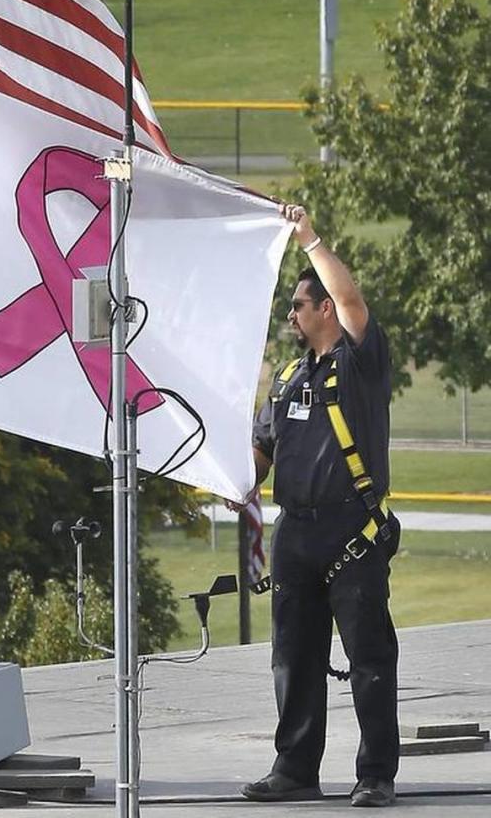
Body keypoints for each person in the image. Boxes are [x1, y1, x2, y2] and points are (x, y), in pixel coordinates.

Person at [240, 204, 400, 809]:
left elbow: (352, 297)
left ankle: (376, 774)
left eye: (300, 305)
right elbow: (263, 449)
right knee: (294, 658)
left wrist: (308, 238)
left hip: (350, 530)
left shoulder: (359, 363)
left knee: (369, 659)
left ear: (325, 310)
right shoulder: (287, 377)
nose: (291, 314)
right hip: (296, 533)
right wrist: (239, 480)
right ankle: (295, 768)